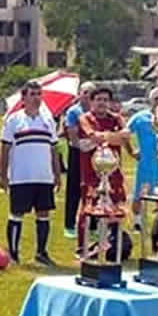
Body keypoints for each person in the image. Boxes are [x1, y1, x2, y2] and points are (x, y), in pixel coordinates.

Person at [0, 80, 60, 266]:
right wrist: (3, 175)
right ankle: (14, 253)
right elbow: (5, 148)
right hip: (21, 176)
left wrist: (57, 174)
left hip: (43, 176)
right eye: (32, 94)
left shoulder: (48, 120)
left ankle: (41, 252)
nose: (36, 98)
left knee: (43, 213)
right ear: (23, 98)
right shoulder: (14, 120)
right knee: (16, 213)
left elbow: (53, 149)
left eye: (39, 94)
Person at [77, 86, 129, 256]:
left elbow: (125, 136)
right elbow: (93, 135)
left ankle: (112, 244)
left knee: (116, 209)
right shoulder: (85, 118)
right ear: (91, 102)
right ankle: (83, 247)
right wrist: (112, 137)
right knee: (89, 210)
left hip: (114, 174)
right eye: (98, 99)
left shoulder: (117, 118)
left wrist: (103, 137)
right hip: (92, 175)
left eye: (105, 100)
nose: (102, 103)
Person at [126, 86, 158, 232]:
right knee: (139, 193)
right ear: (150, 101)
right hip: (146, 163)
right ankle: (137, 222)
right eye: (156, 99)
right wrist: (131, 152)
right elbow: (125, 134)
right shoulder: (140, 117)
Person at [62, 82, 94, 238]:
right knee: (74, 188)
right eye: (85, 92)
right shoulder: (74, 112)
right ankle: (69, 224)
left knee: (94, 188)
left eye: (91, 92)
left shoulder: (96, 112)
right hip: (77, 152)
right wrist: (80, 145)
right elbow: (71, 132)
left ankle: (93, 222)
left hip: (94, 153)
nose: (88, 95)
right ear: (80, 93)